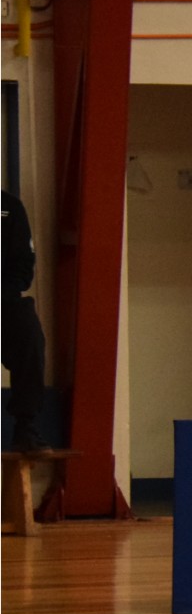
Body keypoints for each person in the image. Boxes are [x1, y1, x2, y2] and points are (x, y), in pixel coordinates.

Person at [2, 189, 50, 453]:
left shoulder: (8, 207)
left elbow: (22, 267)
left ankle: (26, 425)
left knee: (28, 330)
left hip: (2, 300)